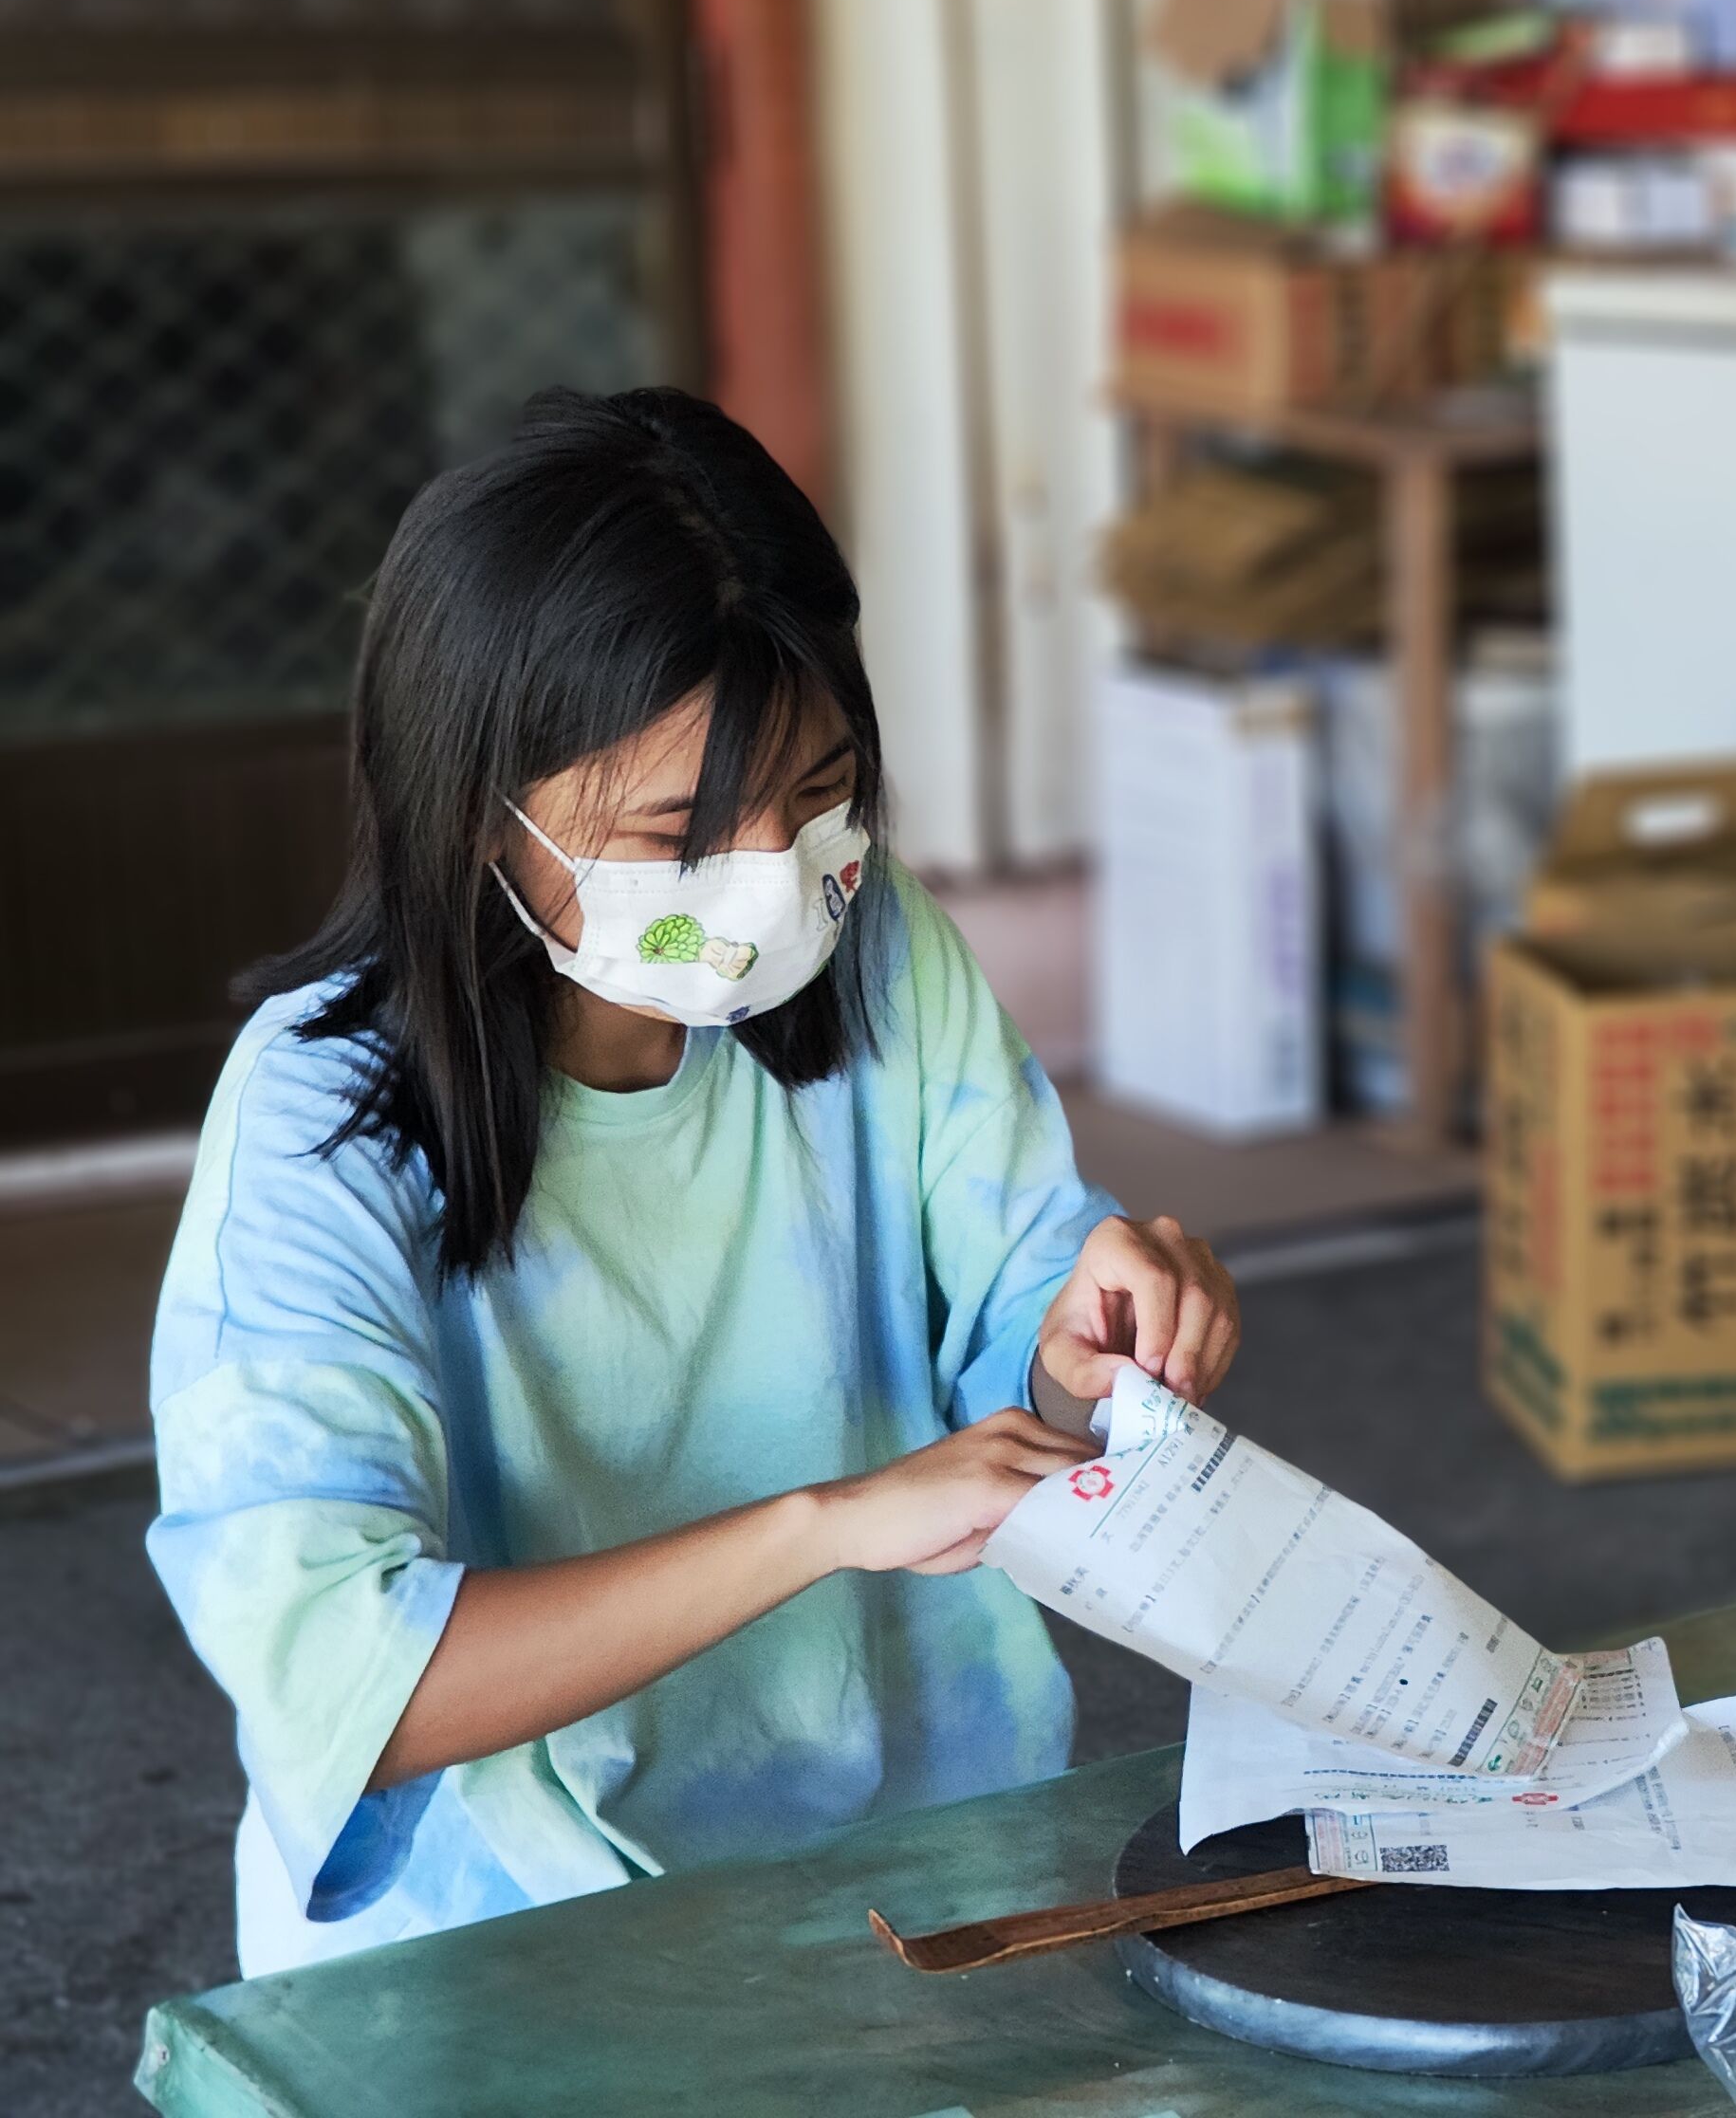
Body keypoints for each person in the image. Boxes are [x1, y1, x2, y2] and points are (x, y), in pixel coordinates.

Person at [146, 389, 1244, 1972]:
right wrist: (824, 1525)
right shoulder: (320, 1116)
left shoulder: (876, 951)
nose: (771, 875)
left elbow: (1022, 1323)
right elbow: (346, 1674)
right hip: (504, 1948)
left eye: (815, 794)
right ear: (478, 814)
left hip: (917, 1875)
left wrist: (1086, 1342)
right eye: (679, 831)